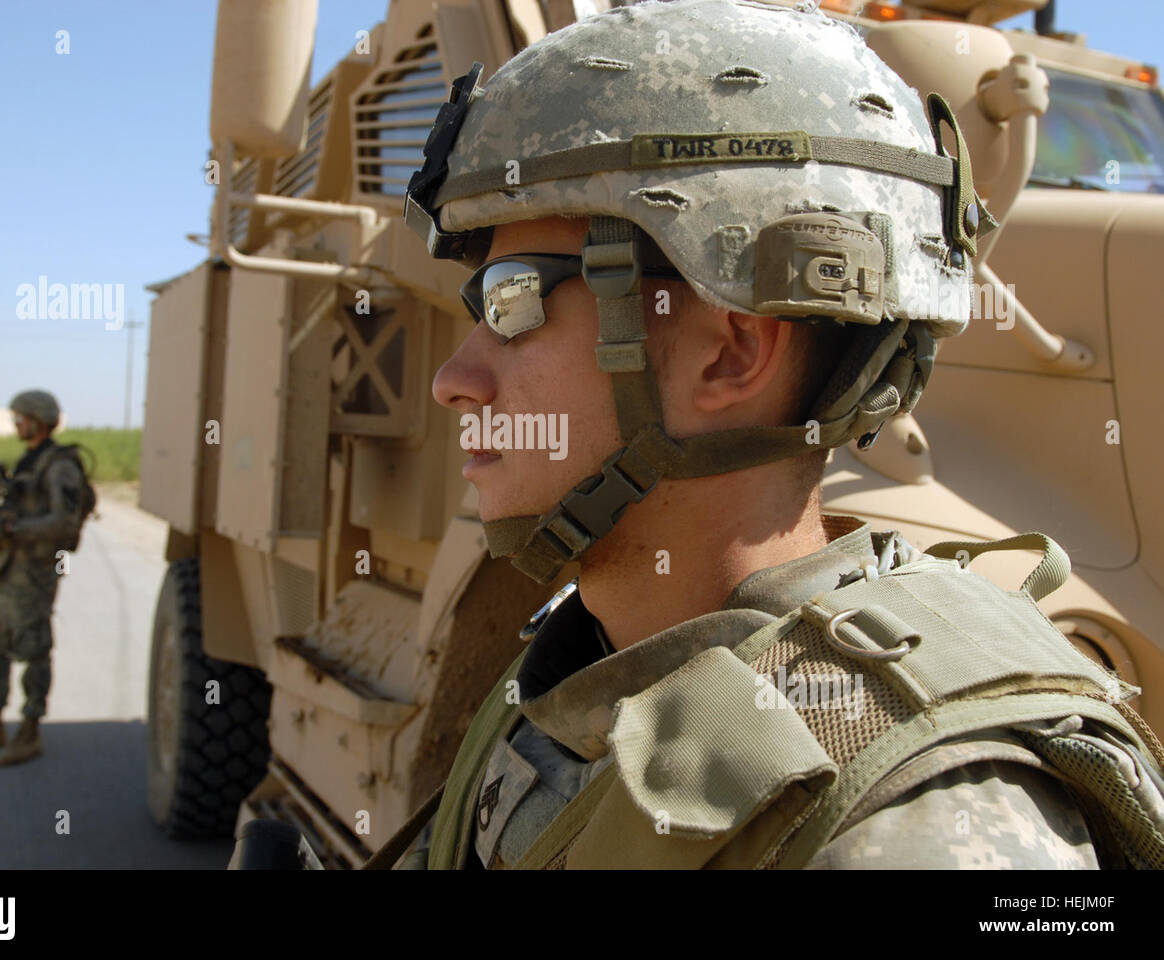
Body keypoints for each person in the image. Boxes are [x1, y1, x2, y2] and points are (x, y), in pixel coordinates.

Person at [379, 0, 1164, 869]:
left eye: (513, 301)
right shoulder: (588, 655)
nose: (455, 381)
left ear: (730, 353)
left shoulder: (923, 828)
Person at [0, 390, 85, 766]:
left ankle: (30, 729)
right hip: (3, 571)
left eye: (21, 418)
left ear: (38, 421)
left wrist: (15, 527)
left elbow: (65, 520)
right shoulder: (28, 461)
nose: (16, 424)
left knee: (33, 649)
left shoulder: (60, 466)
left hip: (34, 573)